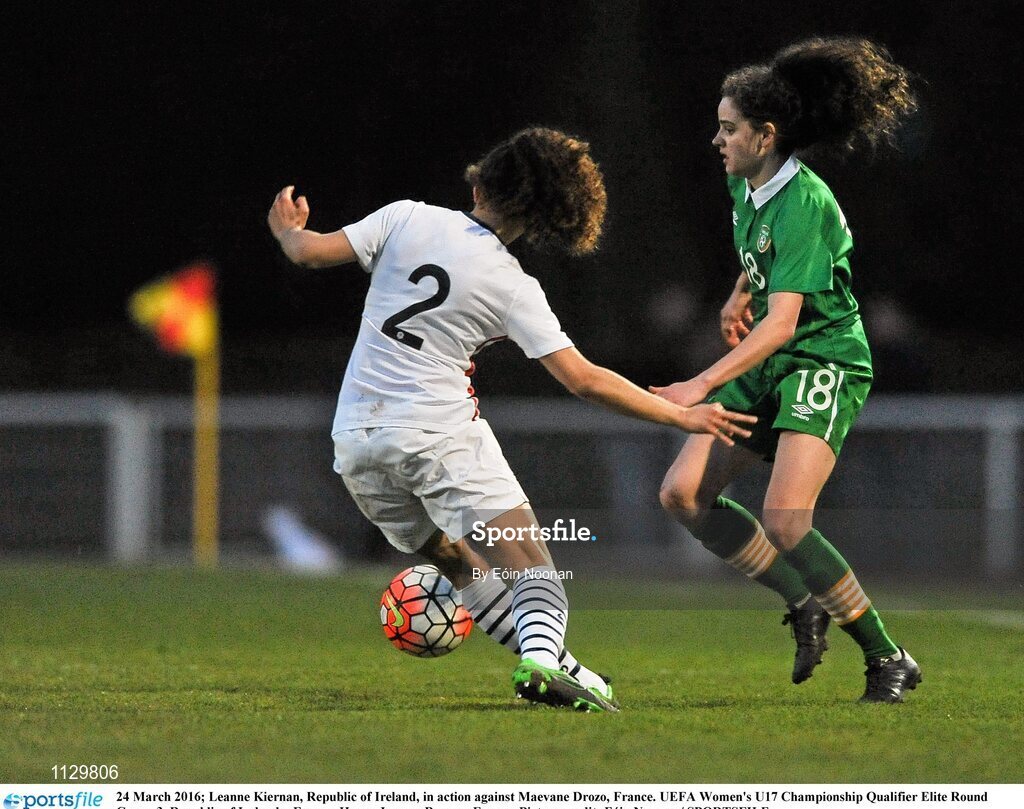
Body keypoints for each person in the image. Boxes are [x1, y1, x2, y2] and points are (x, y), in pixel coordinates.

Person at [268, 128, 756, 712]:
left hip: (354, 442)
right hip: (437, 433)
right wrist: (681, 415)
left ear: (481, 179)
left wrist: (290, 232)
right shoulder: (513, 285)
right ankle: (542, 665)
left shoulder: (406, 218)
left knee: (456, 562)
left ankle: (567, 672)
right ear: (546, 218)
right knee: (538, 577)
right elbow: (585, 380)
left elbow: (308, 252)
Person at [653, 38, 922, 703]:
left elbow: (784, 324)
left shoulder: (805, 202)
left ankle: (888, 657)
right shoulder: (745, 181)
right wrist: (739, 291)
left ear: (765, 135)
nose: (716, 139)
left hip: (821, 355)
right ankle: (804, 601)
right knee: (683, 495)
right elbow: (761, 259)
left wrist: (702, 381)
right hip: (775, 357)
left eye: (728, 128)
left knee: (787, 520)